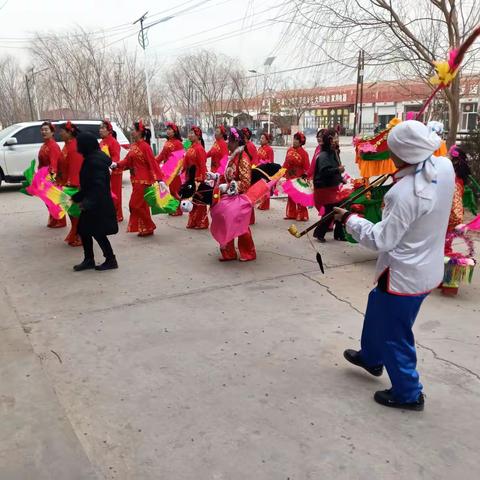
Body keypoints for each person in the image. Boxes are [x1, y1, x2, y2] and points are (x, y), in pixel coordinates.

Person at [334, 120, 455, 411]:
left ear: (399, 153)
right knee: (377, 306)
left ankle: (409, 393)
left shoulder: (403, 194)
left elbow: (382, 239)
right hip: (427, 266)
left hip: (404, 276)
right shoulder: (444, 168)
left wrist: (350, 220)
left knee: (395, 333)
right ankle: (372, 357)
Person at [71, 133, 118, 271]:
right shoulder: (92, 158)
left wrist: (86, 203)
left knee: (98, 232)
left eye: (79, 143)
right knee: (84, 230)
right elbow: (89, 184)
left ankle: (110, 260)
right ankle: (89, 259)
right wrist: (77, 197)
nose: (77, 146)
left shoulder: (94, 161)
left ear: (86, 145)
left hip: (98, 204)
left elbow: (98, 185)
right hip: (94, 201)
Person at [112, 121, 164, 237]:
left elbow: (153, 163)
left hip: (143, 181)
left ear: (140, 132)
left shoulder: (145, 147)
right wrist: (117, 164)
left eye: (133, 130)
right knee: (142, 205)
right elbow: (127, 160)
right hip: (135, 180)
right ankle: (145, 228)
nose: (131, 132)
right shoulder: (133, 146)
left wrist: (160, 179)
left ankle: (149, 225)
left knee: (134, 205)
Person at [219, 127, 256, 262]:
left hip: (240, 197)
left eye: (229, 140)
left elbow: (245, 182)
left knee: (241, 226)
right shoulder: (233, 157)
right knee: (226, 223)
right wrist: (216, 178)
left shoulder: (243, 158)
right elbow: (228, 175)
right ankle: (228, 252)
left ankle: (248, 252)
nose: (227, 143)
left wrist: (229, 186)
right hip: (229, 196)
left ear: (236, 142)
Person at [312, 129, 346, 242]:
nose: (337, 139)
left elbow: (334, 171)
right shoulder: (323, 155)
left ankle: (339, 234)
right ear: (330, 140)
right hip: (324, 188)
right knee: (332, 211)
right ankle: (319, 233)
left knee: (339, 208)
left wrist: (341, 178)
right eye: (335, 137)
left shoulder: (333, 153)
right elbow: (324, 172)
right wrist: (338, 170)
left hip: (331, 186)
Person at [58, 122, 83, 247]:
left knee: (76, 212)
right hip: (66, 182)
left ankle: (81, 235)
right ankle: (76, 232)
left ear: (69, 132)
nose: (60, 134)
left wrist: (74, 184)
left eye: (61, 131)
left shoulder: (74, 147)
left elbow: (76, 167)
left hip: (74, 184)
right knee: (71, 211)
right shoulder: (66, 145)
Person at [38, 121, 65, 228]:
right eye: (42, 130)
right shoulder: (44, 145)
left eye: (46, 130)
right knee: (48, 200)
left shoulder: (53, 146)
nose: (44, 132)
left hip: (52, 176)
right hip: (44, 175)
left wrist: (51, 178)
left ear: (52, 132)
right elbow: (41, 163)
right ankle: (54, 218)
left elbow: (54, 164)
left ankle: (60, 220)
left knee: (55, 199)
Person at [156, 122, 184, 216]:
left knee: (175, 190)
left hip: (174, 170)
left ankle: (178, 209)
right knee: (170, 190)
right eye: (167, 129)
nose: (168, 131)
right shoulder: (167, 142)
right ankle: (173, 207)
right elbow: (161, 155)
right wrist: (154, 162)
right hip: (167, 169)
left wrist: (178, 170)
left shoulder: (178, 143)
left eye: (170, 129)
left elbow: (180, 157)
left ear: (175, 131)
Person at [184, 126, 209, 229]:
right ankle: (193, 221)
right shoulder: (190, 147)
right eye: (189, 133)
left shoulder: (199, 149)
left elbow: (202, 165)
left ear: (198, 135)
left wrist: (202, 180)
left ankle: (201, 222)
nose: (189, 135)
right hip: (190, 177)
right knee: (192, 200)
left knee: (199, 201)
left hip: (198, 177)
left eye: (192, 133)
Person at [282, 132, 310, 221]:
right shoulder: (289, 150)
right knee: (291, 196)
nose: (294, 141)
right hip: (290, 175)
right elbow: (286, 162)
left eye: (296, 139)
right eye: (294, 139)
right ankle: (291, 214)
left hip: (299, 176)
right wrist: (282, 172)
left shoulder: (304, 153)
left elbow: (307, 167)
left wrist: (305, 176)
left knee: (299, 196)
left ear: (301, 142)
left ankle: (302, 215)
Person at [99, 119, 123, 222]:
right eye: (100, 128)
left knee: (115, 193)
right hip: (104, 172)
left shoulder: (114, 142)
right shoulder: (101, 142)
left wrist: (110, 167)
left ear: (109, 131)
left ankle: (117, 215)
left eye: (103, 128)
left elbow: (116, 157)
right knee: (106, 194)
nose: (100, 130)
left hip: (114, 172)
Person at [241, 127, 258, 225]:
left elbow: (254, 161)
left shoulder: (250, 146)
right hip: (243, 173)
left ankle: (249, 219)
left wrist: (249, 173)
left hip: (248, 174)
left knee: (248, 198)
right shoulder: (242, 145)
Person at [256, 133, 275, 210]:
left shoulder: (269, 149)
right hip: (259, 170)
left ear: (267, 140)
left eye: (263, 138)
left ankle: (265, 205)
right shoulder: (259, 149)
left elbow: (271, 161)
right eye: (260, 138)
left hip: (265, 171)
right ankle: (260, 203)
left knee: (265, 187)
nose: (261, 139)